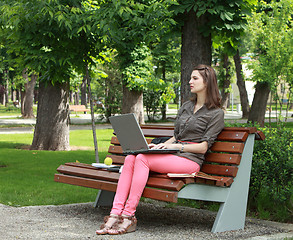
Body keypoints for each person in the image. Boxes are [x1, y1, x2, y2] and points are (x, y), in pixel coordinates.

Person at [96, 64, 225, 235]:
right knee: (130, 158)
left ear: (207, 82)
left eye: (195, 78)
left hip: (190, 161)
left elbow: (203, 148)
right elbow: (177, 135)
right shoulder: (187, 106)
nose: (189, 82)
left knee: (141, 158)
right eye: (190, 78)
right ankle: (114, 213)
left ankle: (128, 216)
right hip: (173, 154)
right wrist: (161, 145)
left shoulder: (216, 113)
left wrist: (175, 146)